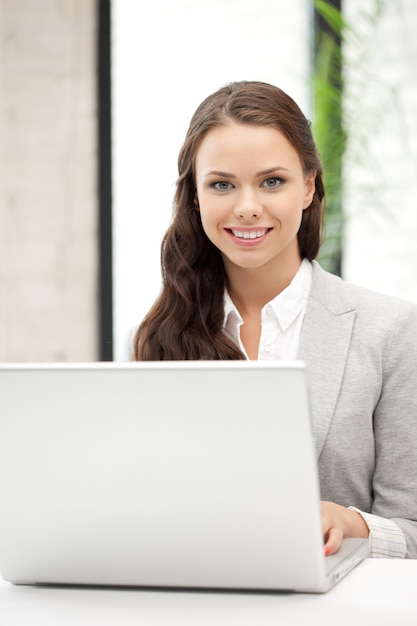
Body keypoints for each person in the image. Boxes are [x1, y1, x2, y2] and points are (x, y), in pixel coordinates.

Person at [126, 80, 417, 559]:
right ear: (195, 197)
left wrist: (351, 522)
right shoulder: (160, 334)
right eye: (222, 184)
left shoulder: (391, 332)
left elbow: (412, 529)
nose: (246, 207)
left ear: (308, 187)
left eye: (272, 181)